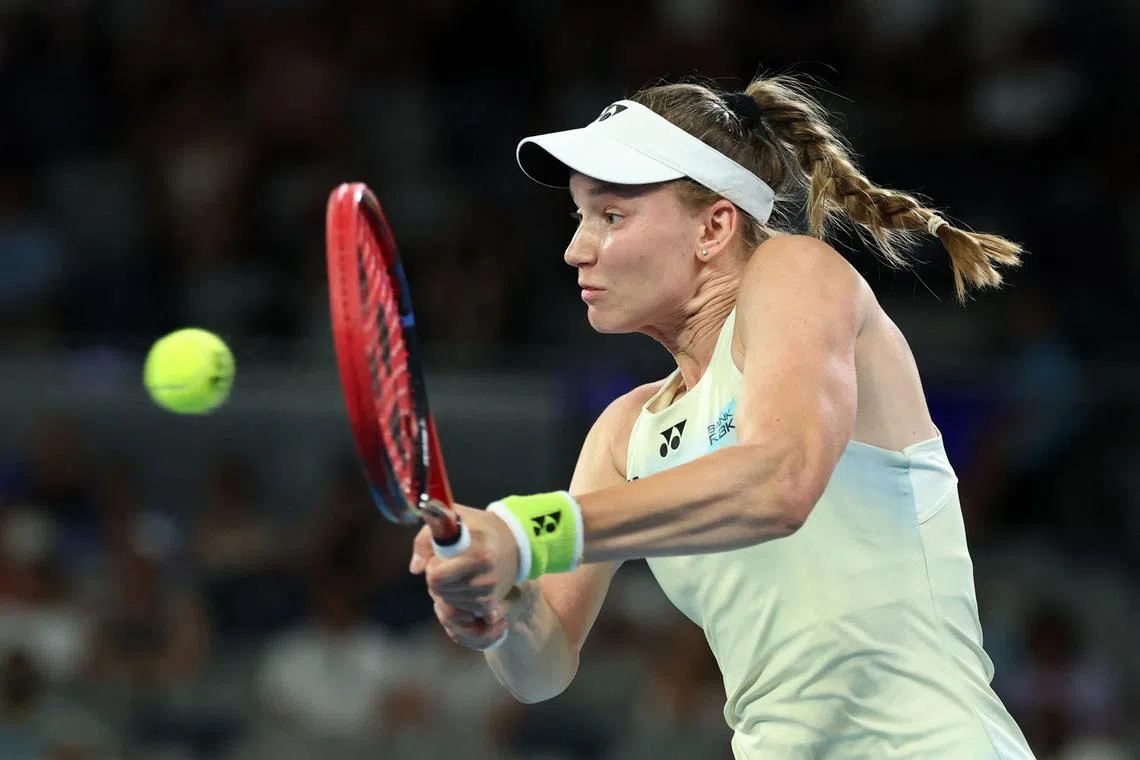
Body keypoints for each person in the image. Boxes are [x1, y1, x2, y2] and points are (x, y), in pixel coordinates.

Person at [409, 74, 1035, 759]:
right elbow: (543, 670)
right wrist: (501, 605)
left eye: (611, 216)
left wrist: (526, 531)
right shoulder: (625, 432)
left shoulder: (797, 270)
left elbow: (779, 482)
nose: (576, 249)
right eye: (578, 217)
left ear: (713, 227)